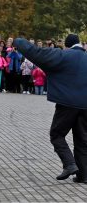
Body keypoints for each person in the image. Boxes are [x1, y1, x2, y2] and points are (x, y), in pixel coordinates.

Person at [14, 34, 87, 184]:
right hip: (85, 105)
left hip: (67, 104)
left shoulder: (63, 55)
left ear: (67, 45)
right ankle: (84, 175)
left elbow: (38, 54)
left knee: (57, 134)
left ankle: (69, 164)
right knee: (82, 140)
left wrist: (19, 41)